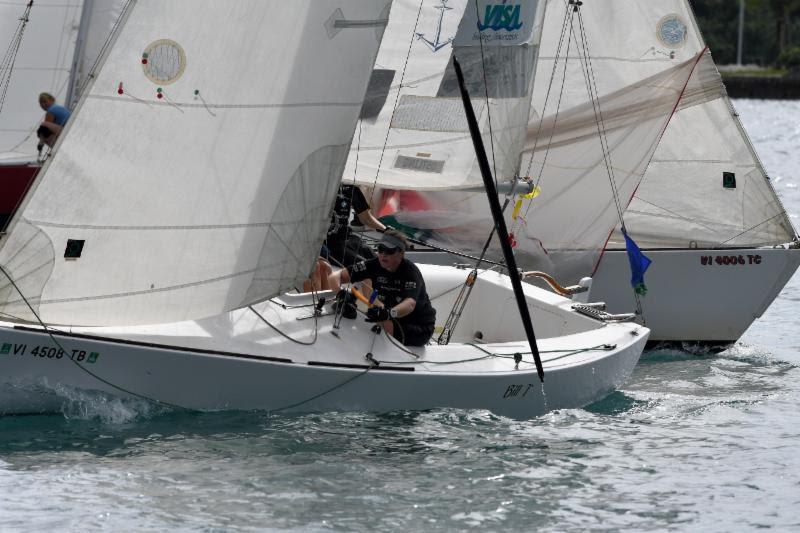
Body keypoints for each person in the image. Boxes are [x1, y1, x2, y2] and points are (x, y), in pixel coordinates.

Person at [328, 230, 436, 346]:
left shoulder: (410, 272)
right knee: (372, 321)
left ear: (401, 253)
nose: (383, 255)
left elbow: (410, 304)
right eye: (380, 249)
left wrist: (389, 313)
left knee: (382, 323)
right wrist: (340, 293)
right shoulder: (373, 265)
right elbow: (335, 276)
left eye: (389, 251)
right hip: (392, 318)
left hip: (418, 326)